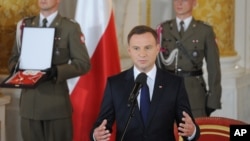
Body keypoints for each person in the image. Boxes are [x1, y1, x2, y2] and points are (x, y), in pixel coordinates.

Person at [90, 25, 200, 141]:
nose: (142, 54)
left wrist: (192, 131)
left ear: (157, 48)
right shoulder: (115, 84)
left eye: (147, 47)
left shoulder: (174, 83)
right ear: (129, 51)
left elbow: (187, 127)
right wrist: (96, 135)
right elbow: (102, 125)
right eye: (136, 48)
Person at [8, 0, 91, 141]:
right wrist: (18, 68)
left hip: (56, 106)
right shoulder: (24, 25)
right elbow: (13, 59)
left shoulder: (70, 27)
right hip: (29, 105)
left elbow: (83, 64)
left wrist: (57, 71)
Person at [156, 0, 221, 117]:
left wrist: (213, 99)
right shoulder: (163, 29)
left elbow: (214, 68)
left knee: (195, 132)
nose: (179, 3)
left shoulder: (204, 31)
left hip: (194, 93)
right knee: (167, 133)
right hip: (167, 91)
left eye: (184, 0)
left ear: (194, 3)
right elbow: (156, 63)